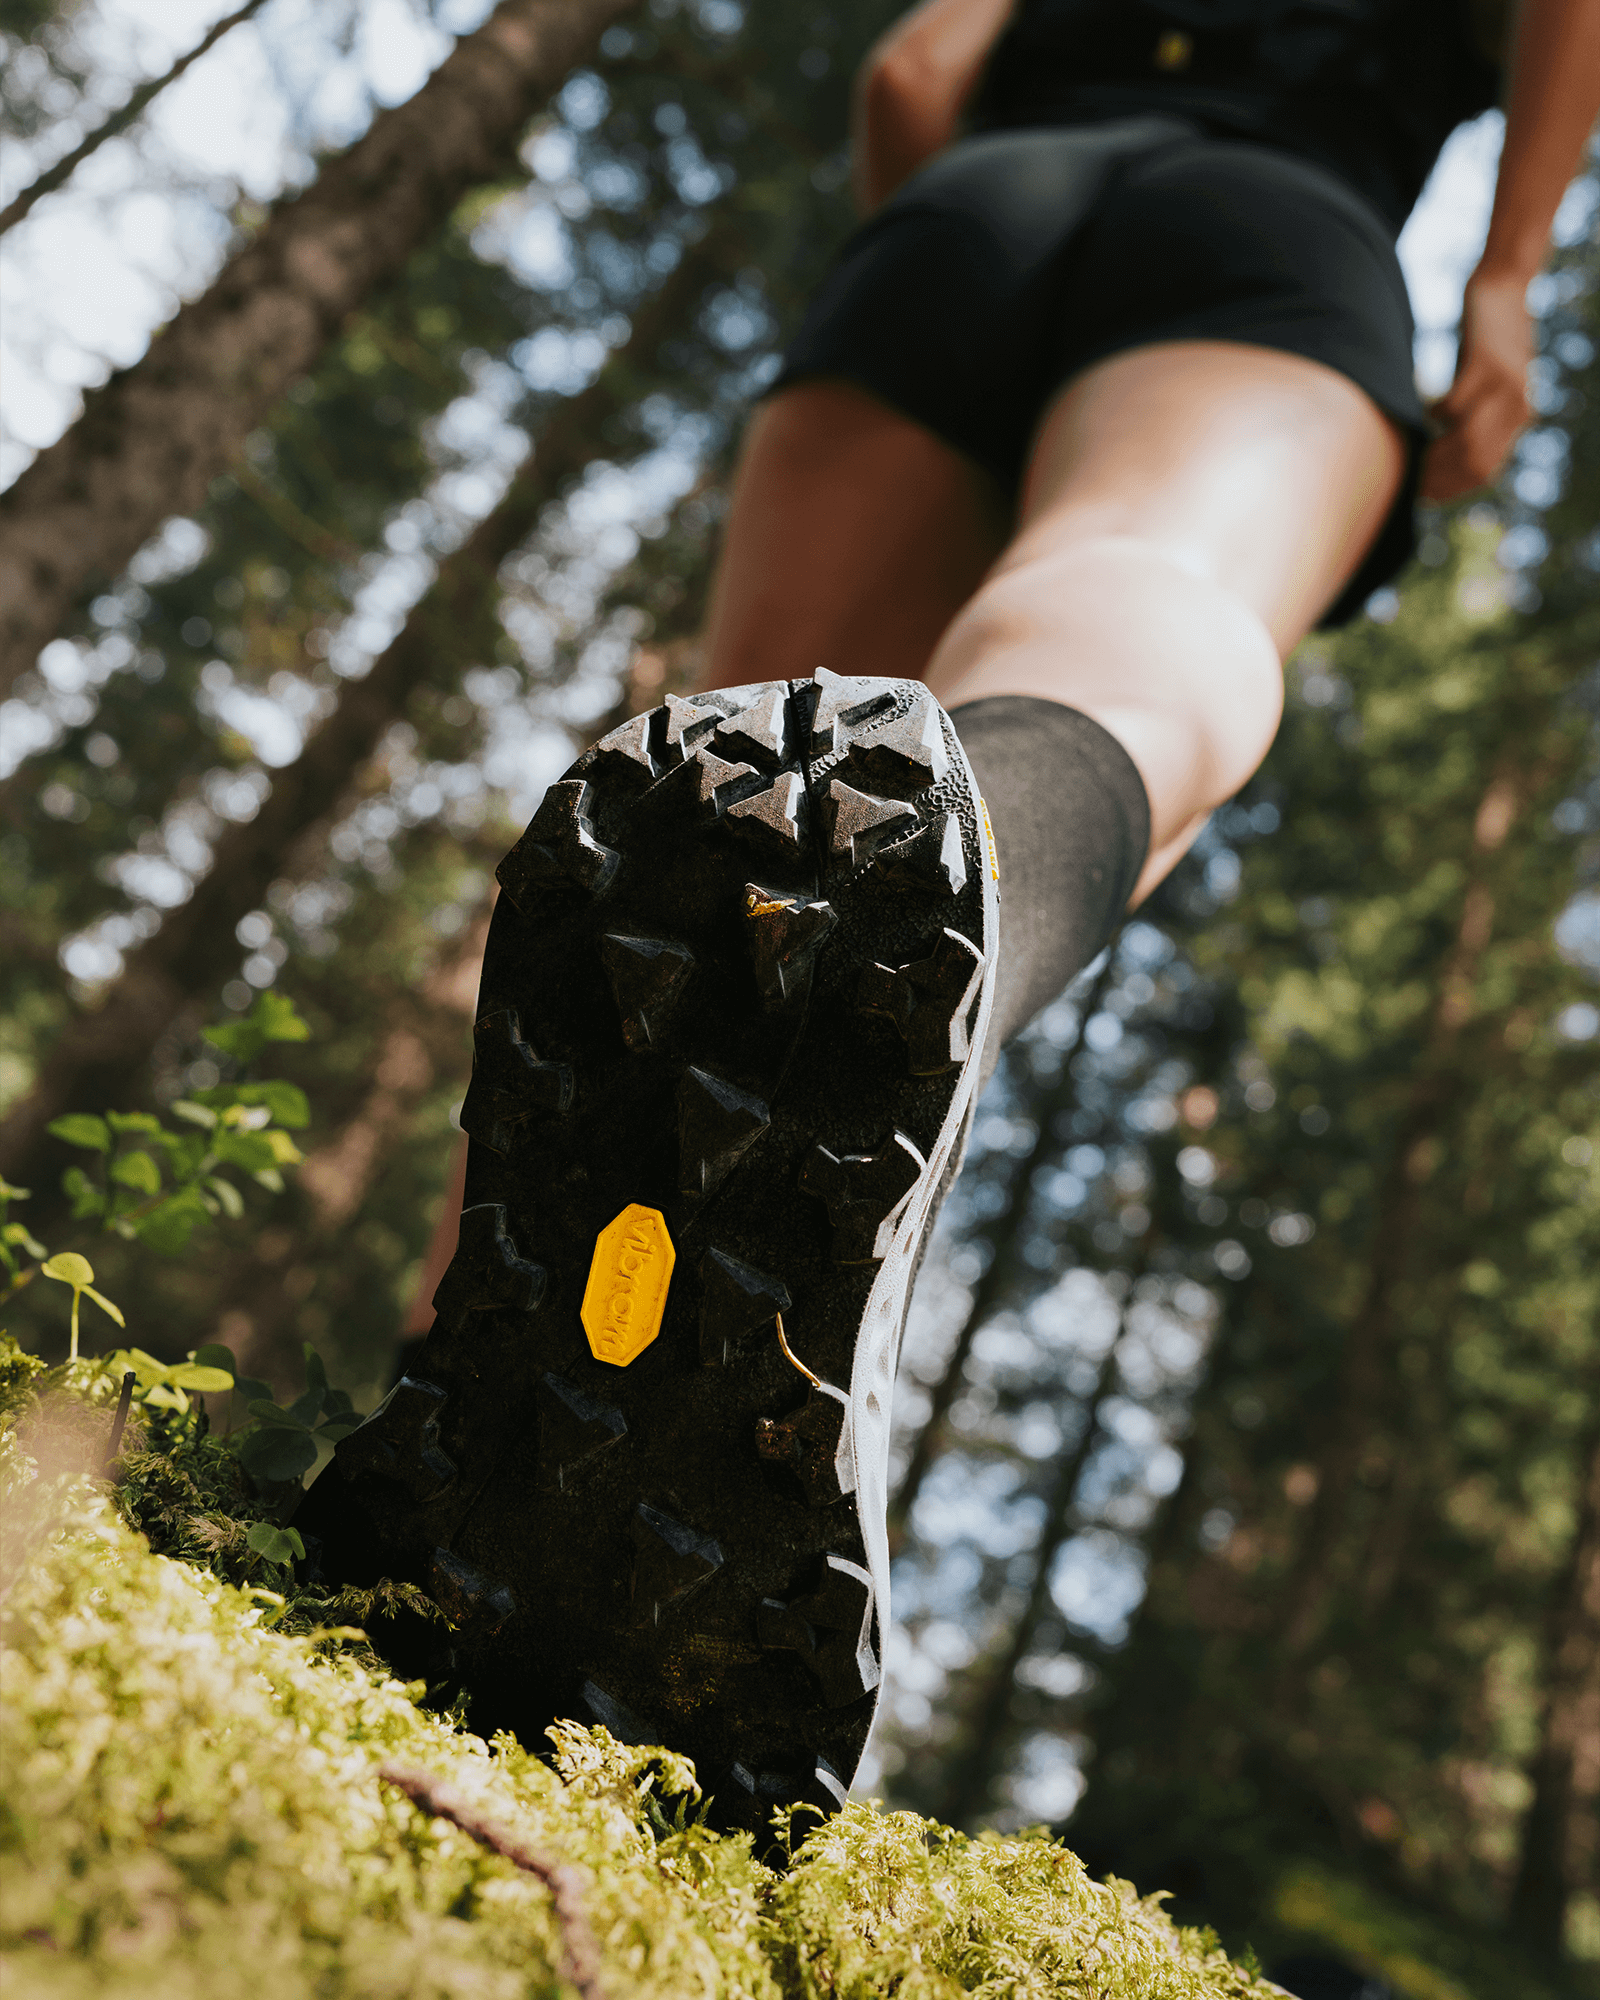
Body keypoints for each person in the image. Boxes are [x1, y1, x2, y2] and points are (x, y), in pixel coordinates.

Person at [301, 0, 1600, 1839]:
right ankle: (967, 860)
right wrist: (1511, 270)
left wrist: (952, 222)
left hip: (964, 217)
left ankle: (456, 1450)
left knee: (686, 874)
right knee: (1139, 591)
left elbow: (911, 72)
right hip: (1274, 220)